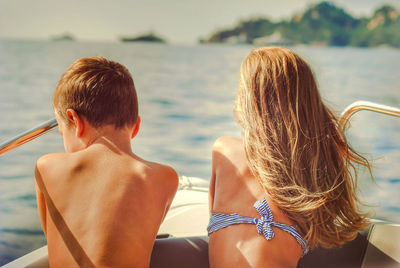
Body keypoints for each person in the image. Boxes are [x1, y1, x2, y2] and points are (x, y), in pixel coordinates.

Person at [207, 47, 373, 267]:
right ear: (308, 100)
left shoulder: (224, 150)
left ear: (248, 98)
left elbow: (211, 222)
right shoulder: (315, 165)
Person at [34, 57, 179, 267]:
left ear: (74, 120)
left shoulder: (46, 167)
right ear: (136, 126)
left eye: (60, 131)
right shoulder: (164, 178)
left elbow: (54, 237)